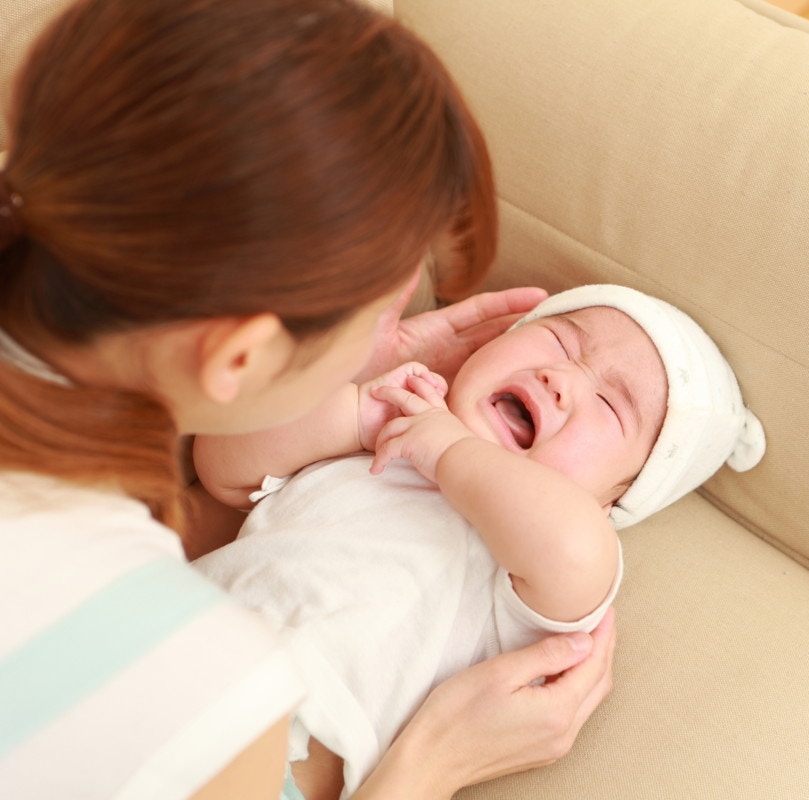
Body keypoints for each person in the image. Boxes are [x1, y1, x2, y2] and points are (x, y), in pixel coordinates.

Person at [0, 1, 618, 798]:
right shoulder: (207, 695)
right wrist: (431, 764)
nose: (396, 341)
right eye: (385, 312)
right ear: (239, 356)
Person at [191, 284, 768, 799]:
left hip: (267, 761)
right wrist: (357, 408)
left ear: (614, 501)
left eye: (611, 405)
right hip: (159, 650)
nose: (561, 379)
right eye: (560, 342)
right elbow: (222, 463)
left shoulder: (530, 555)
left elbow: (574, 549)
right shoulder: (372, 439)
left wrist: (448, 453)